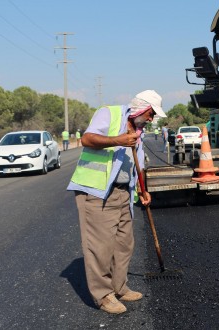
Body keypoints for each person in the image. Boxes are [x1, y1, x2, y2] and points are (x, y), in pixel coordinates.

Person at [66, 89, 166, 314]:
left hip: (123, 192)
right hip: (97, 191)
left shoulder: (138, 130)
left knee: (124, 243)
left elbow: (136, 162)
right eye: (150, 113)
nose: (151, 119)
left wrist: (142, 189)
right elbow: (87, 139)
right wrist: (117, 140)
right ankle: (103, 295)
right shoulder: (108, 114)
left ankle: (119, 286)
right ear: (141, 108)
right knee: (100, 247)